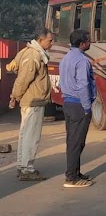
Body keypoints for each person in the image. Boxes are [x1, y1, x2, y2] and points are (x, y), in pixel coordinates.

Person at [9, 28, 53, 181]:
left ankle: (23, 167)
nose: (52, 43)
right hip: (33, 102)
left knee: (25, 135)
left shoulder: (28, 51)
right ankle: (27, 169)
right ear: (40, 40)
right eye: (49, 40)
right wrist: (15, 96)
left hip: (31, 101)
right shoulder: (34, 54)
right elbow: (23, 79)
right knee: (31, 136)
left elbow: (12, 66)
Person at [59, 29, 95, 188]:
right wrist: (87, 107)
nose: (90, 43)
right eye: (88, 41)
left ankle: (75, 172)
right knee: (76, 142)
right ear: (82, 44)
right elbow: (83, 85)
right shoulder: (82, 61)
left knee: (73, 141)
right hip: (78, 105)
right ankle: (71, 177)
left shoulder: (66, 58)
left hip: (68, 102)